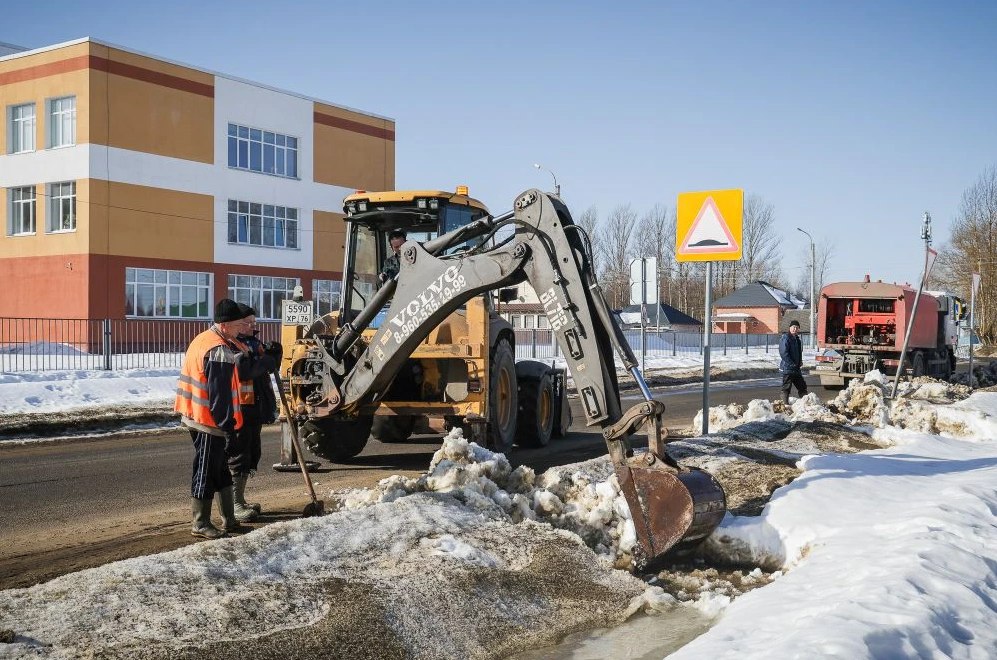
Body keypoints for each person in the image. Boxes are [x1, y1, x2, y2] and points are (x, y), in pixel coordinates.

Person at [174, 298, 247, 539]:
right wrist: (228, 428)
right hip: (208, 421)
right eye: (238, 325)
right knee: (205, 469)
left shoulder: (205, 339)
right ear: (225, 325)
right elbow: (220, 395)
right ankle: (201, 523)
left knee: (219, 469)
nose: (242, 328)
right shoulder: (218, 350)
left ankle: (229, 520)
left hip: (197, 414)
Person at [224, 303, 281, 522]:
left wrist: (273, 356)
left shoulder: (252, 342)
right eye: (246, 322)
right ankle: (234, 504)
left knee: (250, 453)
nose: (250, 326)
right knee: (237, 455)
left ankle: (240, 498)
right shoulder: (230, 343)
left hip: (254, 407)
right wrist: (262, 363)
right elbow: (243, 370)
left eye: (253, 323)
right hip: (240, 409)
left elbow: (263, 366)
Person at [779, 319, 808, 404]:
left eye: (797, 327)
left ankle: (805, 403)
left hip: (796, 368)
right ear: (790, 328)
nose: (795, 329)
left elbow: (799, 352)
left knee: (802, 386)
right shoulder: (786, 338)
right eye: (793, 327)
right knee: (786, 386)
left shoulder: (797, 339)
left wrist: (800, 361)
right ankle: (785, 404)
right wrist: (791, 363)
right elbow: (783, 353)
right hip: (788, 368)